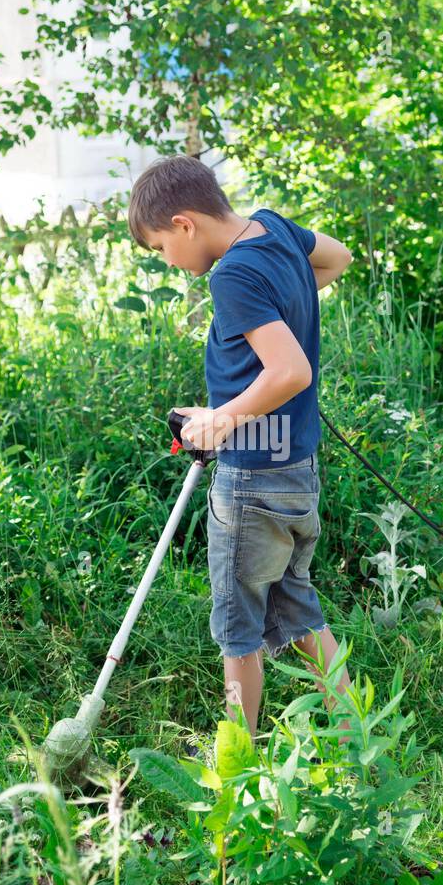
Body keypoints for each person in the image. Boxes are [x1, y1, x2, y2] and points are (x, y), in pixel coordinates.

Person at [127, 154, 355, 740]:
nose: (170, 263)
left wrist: (220, 421)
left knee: (238, 628)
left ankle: (238, 760)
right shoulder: (273, 228)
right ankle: (355, 735)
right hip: (296, 468)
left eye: (160, 248)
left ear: (184, 224)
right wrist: (284, 311)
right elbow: (337, 257)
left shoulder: (231, 274)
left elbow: (290, 372)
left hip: (251, 479)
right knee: (297, 609)